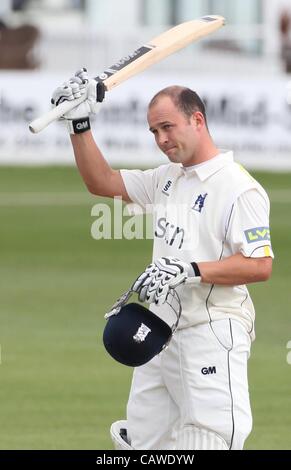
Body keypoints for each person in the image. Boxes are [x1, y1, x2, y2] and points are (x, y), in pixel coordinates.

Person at [51, 70, 274, 450]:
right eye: (154, 132)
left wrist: (190, 271)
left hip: (213, 331)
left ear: (197, 120)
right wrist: (79, 123)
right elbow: (101, 181)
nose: (161, 140)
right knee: (143, 444)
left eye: (167, 127)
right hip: (161, 333)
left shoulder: (239, 188)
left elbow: (259, 265)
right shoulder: (168, 178)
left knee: (207, 442)